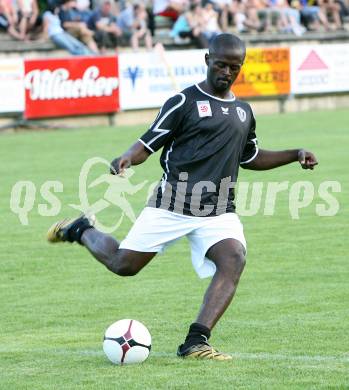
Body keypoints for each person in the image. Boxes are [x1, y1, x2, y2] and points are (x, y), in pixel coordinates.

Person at [47, 33, 318, 361]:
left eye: (234, 67)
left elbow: (251, 157)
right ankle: (81, 229)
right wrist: (126, 159)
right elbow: (148, 142)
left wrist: (295, 153)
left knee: (234, 259)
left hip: (219, 209)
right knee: (123, 265)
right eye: (221, 65)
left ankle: (196, 341)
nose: (227, 72)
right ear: (207, 60)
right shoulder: (183, 101)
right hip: (172, 204)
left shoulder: (244, 112)